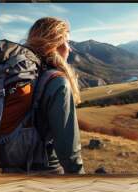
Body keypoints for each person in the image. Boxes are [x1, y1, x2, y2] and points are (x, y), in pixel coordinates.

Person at [25, 17, 84, 174]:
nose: (70, 49)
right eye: (67, 42)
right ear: (55, 44)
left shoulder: (23, 74)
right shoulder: (57, 82)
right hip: (46, 169)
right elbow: (69, 151)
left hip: (12, 166)